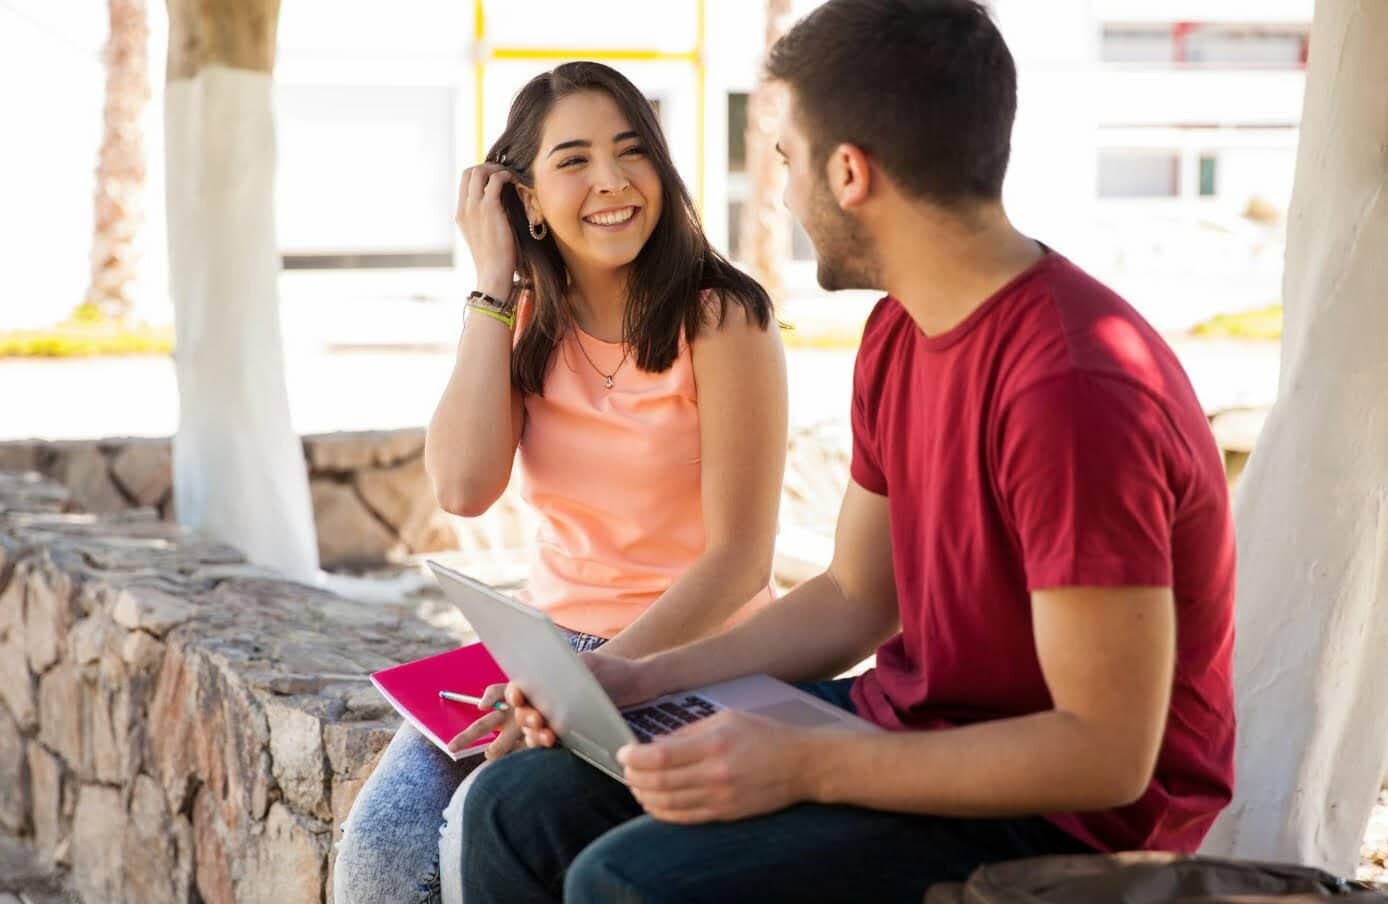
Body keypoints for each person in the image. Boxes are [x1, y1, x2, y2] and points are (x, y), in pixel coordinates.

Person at [457, 2, 1238, 902]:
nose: (782, 192)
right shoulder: (901, 332)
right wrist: (635, 679)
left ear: (850, 173)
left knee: (629, 881)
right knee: (517, 806)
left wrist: (806, 766)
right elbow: (857, 598)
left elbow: (1104, 755)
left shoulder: (1072, 388)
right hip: (907, 723)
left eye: (785, 158)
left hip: (1056, 811)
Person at [332, 61, 788, 904]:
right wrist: (491, 284)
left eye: (630, 152)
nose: (611, 182)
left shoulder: (723, 318)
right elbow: (463, 487)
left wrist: (594, 680)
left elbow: (739, 561)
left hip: (685, 656)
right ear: (528, 200)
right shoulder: (526, 319)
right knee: (383, 848)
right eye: (573, 160)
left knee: (485, 837)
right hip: (542, 650)